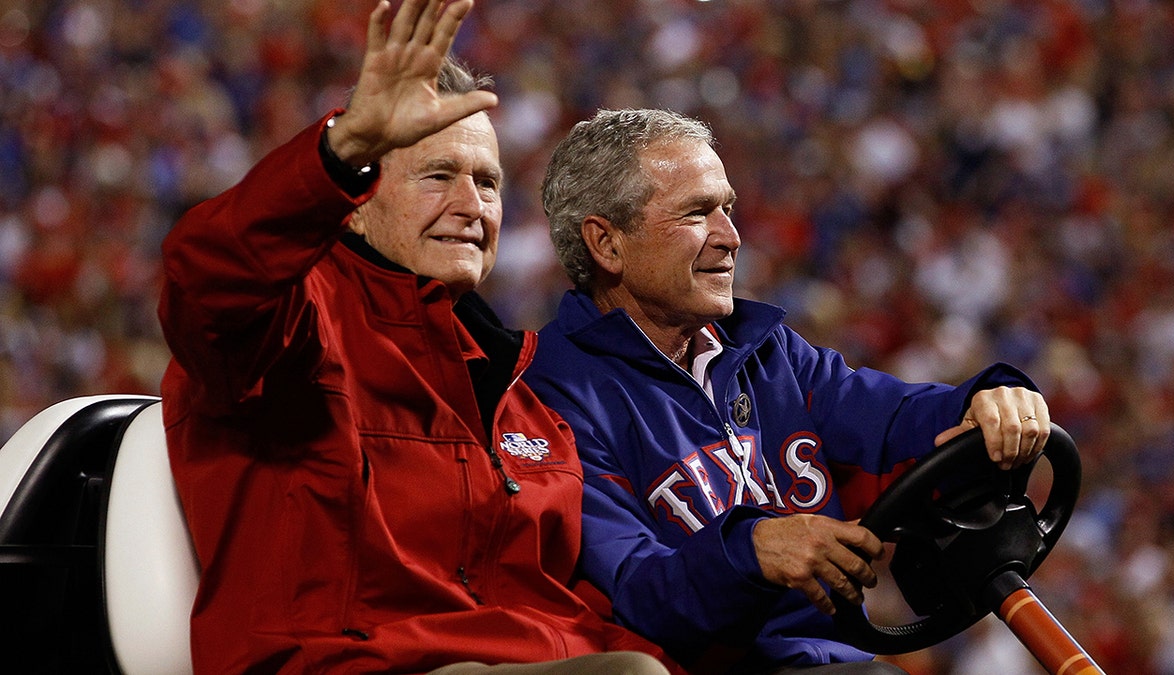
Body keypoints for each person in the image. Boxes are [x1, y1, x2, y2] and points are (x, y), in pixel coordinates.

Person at [156, 2, 678, 673]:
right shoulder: (290, 324)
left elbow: (573, 604)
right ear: (358, 200)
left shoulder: (527, 399)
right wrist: (338, 152)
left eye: (487, 183)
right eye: (439, 175)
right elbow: (203, 278)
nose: (472, 206)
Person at [523, 108, 1053, 674]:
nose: (731, 237)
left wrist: (989, 397)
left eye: (727, 208)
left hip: (844, 660)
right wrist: (750, 551)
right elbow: (635, 592)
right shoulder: (549, 397)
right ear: (606, 244)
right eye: (697, 213)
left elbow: (896, 419)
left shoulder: (767, 351)